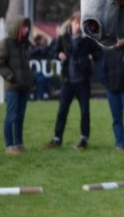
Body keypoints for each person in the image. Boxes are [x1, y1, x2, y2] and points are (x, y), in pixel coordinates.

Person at [44, 12, 103, 149]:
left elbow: (99, 52)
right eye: (76, 23)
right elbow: (53, 51)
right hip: (68, 80)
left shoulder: (87, 39)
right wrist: (58, 55)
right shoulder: (63, 38)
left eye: (80, 24)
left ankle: (84, 138)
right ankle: (57, 138)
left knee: (84, 111)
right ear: (71, 23)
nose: (78, 26)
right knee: (62, 110)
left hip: (83, 80)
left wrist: (91, 57)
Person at [0, 17, 36, 154]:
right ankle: (9, 146)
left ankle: (19, 144)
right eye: (24, 27)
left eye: (27, 27)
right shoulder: (5, 43)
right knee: (11, 115)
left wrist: (29, 78)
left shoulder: (24, 44)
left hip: (24, 86)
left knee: (20, 116)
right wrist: (11, 77)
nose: (26, 29)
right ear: (16, 28)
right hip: (12, 87)